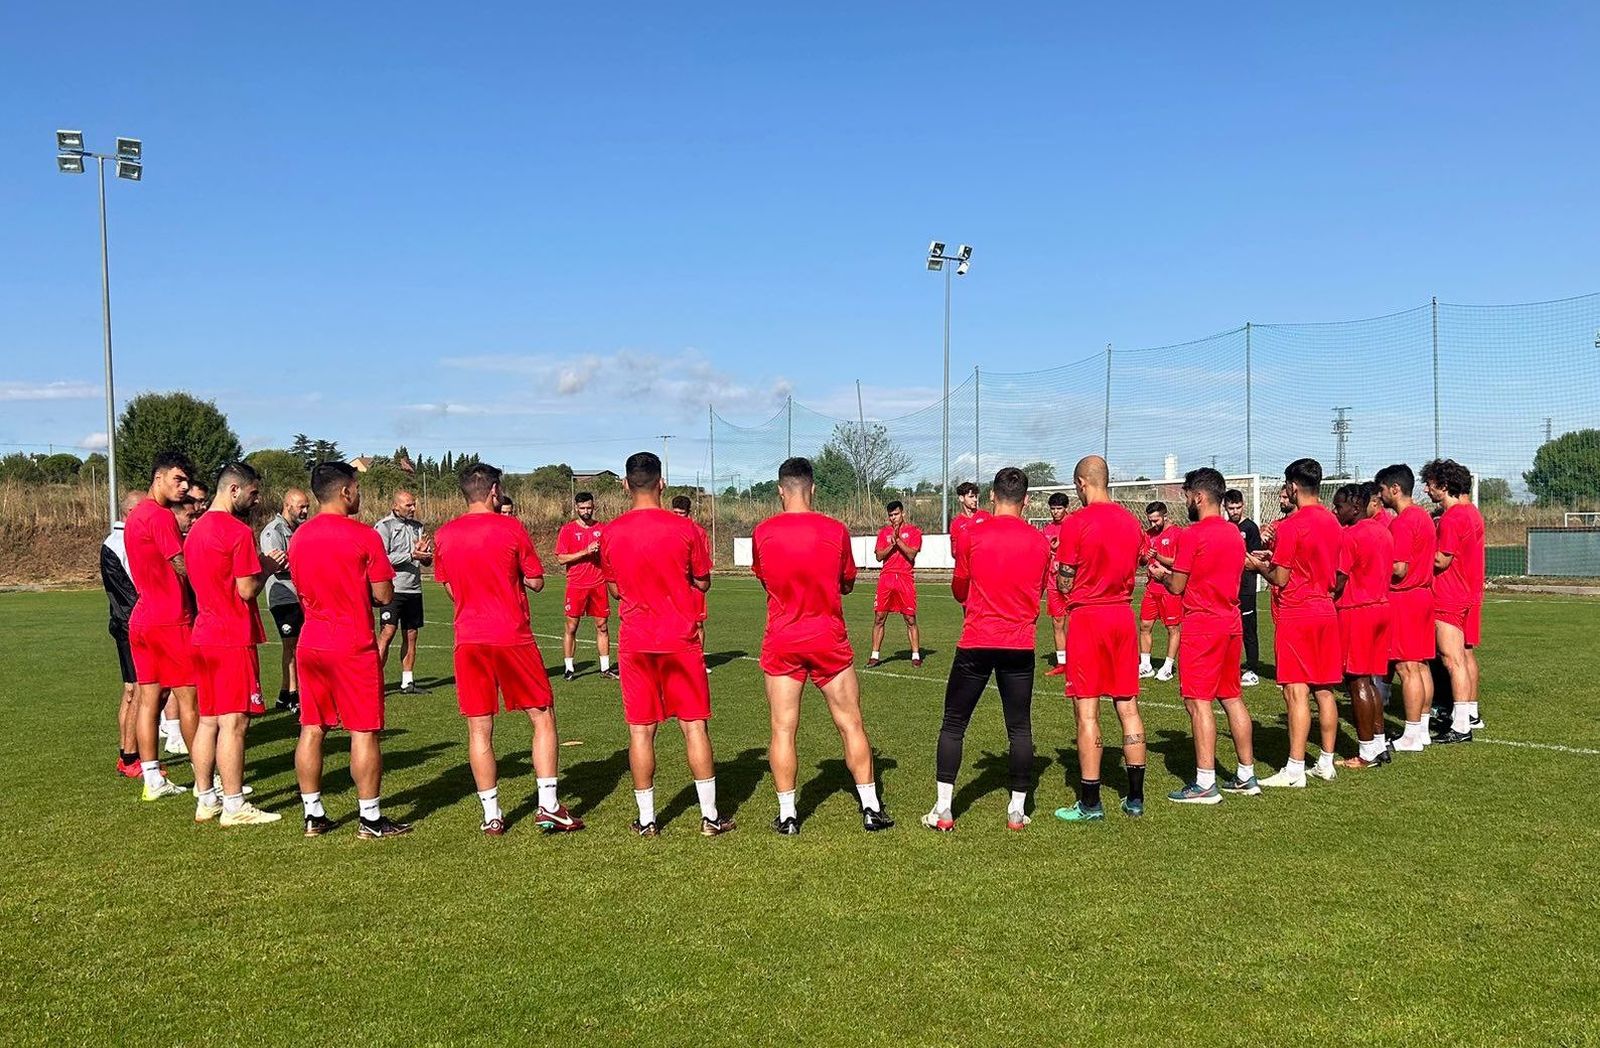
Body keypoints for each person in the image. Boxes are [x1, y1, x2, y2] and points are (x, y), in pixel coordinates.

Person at [433, 463, 583, 836]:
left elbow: (449, 588)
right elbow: (535, 581)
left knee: (479, 728)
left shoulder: (445, 534)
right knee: (542, 716)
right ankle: (548, 806)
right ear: (495, 491)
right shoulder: (511, 528)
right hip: (511, 635)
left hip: (468, 639)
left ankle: (492, 815)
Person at [751, 457, 892, 834]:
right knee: (851, 724)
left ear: (781, 490)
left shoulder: (763, 532)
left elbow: (764, 579)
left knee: (783, 728)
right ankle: (871, 808)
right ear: (812, 488)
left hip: (783, 639)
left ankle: (788, 815)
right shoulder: (835, 529)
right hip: (827, 638)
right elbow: (846, 582)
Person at [600, 451, 734, 838]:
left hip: (636, 641)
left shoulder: (611, 532)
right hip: (680, 640)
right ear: (662, 483)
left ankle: (646, 820)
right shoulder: (687, 529)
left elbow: (612, 589)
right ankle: (709, 817)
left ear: (626, 485)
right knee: (694, 727)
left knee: (641, 731)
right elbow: (704, 581)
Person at [923, 467, 1050, 832]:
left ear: (992, 496)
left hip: (977, 640)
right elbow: (1039, 590)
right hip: (1019, 643)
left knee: (954, 724)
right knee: (1019, 728)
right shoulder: (1040, 542)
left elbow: (959, 589)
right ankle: (1016, 811)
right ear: (1026, 500)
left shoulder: (972, 536)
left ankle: (944, 810)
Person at [289, 462, 410, 838]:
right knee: (364, 730)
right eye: (356, 489)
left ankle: (313, 814)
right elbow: (384, 594)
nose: (359, 495)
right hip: (352, 644)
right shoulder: (363, 536)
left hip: (311, 642)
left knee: (312, 728)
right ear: (345, 492)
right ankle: (370, 818)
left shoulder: (298, 538)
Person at [1150, 467, 1259, 804]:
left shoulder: (1192, 535)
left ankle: (1205, 783)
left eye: (1186, 495)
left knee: (1198, 702)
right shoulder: (1232, 533)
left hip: (1202, 624)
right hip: (1230, 622)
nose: (1186, 502)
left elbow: (1178, 585)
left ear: (1197, 496)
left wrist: (1160, 575)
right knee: (1232, 697)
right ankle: (1246, 774)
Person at [185, 461, 283, 827]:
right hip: (231, 636)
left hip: (204, 633)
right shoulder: (236, 531)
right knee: (235, 723)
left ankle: (206, 797)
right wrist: (267, 568)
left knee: (208, 721)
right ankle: (234, 803)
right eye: (253, 493)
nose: (256, 500)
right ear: (234, 490)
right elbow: (246, 589)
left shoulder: (194, 532)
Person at [1053, 456, 1149, 820]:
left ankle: (1091, 802)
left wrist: (1072, 583)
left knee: (1087, 709)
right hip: (1123, 616)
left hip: (1088, 618)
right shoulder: (1130, 521)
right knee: (1128, 707)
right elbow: (1142, 561)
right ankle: (1135, 798)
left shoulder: (1076, 523)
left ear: (1081, 483)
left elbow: (1064, 580)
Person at [1248, 458, 1343, 788]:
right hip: (1326, 611)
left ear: (1292, 486)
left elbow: (1281, 577)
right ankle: (1326, 762)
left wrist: (1256, 566)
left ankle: (1294, 768)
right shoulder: (1333, 522)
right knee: (1325, 690)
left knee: (1295, 690)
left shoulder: (1291, 525)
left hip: (1297, 613)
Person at [125, 451, 198, 801]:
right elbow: (180, 563)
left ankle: (152, 779)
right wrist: (214, 582)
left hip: (142, 617)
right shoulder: (160, 516)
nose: (183, 487)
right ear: (158, 478)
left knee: (149, 699)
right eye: (178, 480)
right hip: (169, 619)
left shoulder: (138, 514)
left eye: (186, 481)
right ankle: (208, 780)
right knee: (190, 700)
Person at [1331, 482, 1394, 769]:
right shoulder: (1383, 531)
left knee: (1357, 682)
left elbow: (1338, 580)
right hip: (1381, 607)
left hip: (1357, 610)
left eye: (1340, 505)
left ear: (1355, 507)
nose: (1336, 510)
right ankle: (1378, 744)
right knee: (1370, 681)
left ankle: (1366, 751)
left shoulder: (1349, 536)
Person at [1376, 463, 1436, 753]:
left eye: (1383, 490)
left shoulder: (1402, 521)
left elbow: (1398, 568)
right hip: (1423, 596)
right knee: (1421, 665)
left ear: (1395, 489)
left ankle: (1412, 733)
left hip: (1405, 598)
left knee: (1406, 667)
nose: (1381, 496)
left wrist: (1374, 570)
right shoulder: (1423, 516)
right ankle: (1421, 728)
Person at [1424, 458, 1485, 743]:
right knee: (1464, 655)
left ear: (1444, 486)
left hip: (1448, 594)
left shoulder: (1452, 517)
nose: (1427, 489)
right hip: (1465, 591)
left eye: (1431, 484)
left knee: (1452, 659)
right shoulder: (1471, 512)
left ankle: (1461, 725)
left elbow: (1441, 559)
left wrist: (1413, 556)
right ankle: (1469, 714)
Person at [102, 490, 146, 779]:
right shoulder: (124, 543)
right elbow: (136, 587)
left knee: (132, 691)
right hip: (132, 623)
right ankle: (130, 758)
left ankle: (127, 755)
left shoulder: (112, 540)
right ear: (131, 513)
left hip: (123, 621)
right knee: (139, 690)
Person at [374, 490, 433, 694]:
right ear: (395, 505)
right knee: (387, 632)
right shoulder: (384, 526)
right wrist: (410, 555)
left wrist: (425, 556)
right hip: (392, 589)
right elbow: (381, 558)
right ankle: (374, 682)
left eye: (414, 504)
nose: (413, 508)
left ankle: (407, 682)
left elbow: (424, 559)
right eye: (408, 505)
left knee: (411, 634)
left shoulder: (418, 527)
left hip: (414, 588)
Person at [555, 492, 615, 681]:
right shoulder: (567, 530)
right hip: (576, 585)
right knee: (572, 627)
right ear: (576, 508)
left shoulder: (602, 528)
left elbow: (610, 555)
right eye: (582, 508)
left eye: (589, 507)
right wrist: (585, 551)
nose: (586, 511)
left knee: (602, 626)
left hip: (598, 584)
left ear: (593, 506)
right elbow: (561, 558)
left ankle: (605, 668)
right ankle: (569, 668)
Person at [259, 488, 310, 714]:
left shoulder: (299, 530)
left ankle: (284, 695)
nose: (306, 511)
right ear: (288, 505)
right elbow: (277, 563)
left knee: (298, 644)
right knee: (292, 645)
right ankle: (293, 694)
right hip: (282, 596)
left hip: (299, 595)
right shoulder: (273, 531)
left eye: (307, 506)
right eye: (301, 507)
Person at [868, 501, 922, 668]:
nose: (893, 518)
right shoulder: (884, 533)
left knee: (910, 618)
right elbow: (878, 556)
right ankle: (874, 655)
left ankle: (915, 655)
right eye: (891, 515)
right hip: (886, 578)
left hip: (905, 578)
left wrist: (898, 541)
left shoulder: (914, 531)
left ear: (903, 513)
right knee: (879, 617)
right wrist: (891, 543)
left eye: (896, 514)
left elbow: (912, 554)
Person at [1223, 488, 1264, 686]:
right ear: (1225, 507)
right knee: (1229, 627)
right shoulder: (1224, 528)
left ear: (1243, 505)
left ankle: (1253, 667)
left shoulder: (1250, 528)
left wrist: (1242, 554)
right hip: (1227, 586)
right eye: (1231, 508)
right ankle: (1230, 664)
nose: (1235, 511)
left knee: (1249, 627)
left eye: (1238, 507)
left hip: (1246, 586)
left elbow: (1256, 557)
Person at [1138, 502, 1183, 681]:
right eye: (1150, 521)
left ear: (1165, 516)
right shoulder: (1147, 534)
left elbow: (1179, 562)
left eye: (1156, 520)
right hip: (1151, 588)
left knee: (1172, 628)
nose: (1153, 524)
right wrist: (1144, 557)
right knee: (1145, 625)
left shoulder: (1178, 534)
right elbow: (1141, 561)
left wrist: (1157, 556)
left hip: (1170, 588)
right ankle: (1146, 665)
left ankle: (1167, 666)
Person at [671, 494, 710, 651]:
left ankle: (699, 659)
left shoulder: (698, 532)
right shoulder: (667, 530)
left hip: (693, 583)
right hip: (673, 583)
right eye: (676, 513)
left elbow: (704, 560)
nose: (679, 517)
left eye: (682, 514)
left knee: (697, 623)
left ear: (689, 513)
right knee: (673, 622)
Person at [1040, 492, 1071, 675]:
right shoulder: (1047, 529)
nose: (1055, 512)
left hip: (1072, 582)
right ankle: (1062, 663)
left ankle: (1078, 659)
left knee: (1076, 622)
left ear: (1066, 509)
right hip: (1053, 582)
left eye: (1059, 508)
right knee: (1057, 621)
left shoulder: (1074, 525)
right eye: (1053, 509)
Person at [949, 481, 991, 547]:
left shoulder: (986, 516)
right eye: (971, 496)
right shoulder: (956, 523)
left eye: (976, 496)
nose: (975, 499)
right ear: (961, 498)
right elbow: (955, 550)